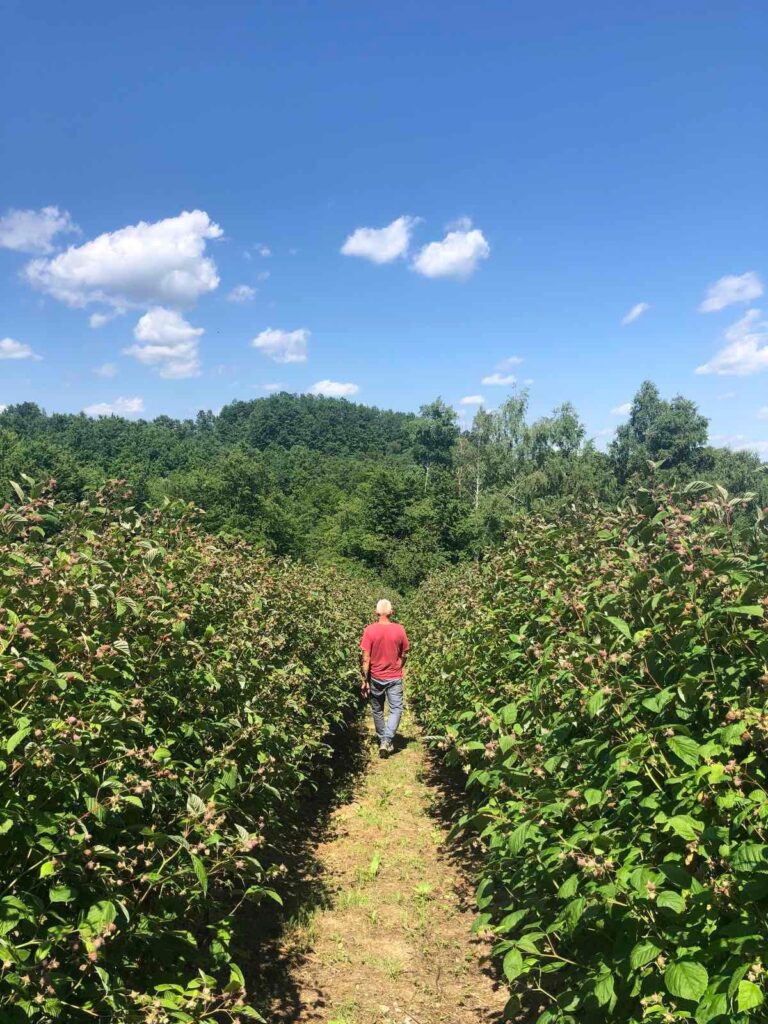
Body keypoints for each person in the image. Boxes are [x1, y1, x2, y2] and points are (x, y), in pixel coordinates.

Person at [359, 599, 410, 757]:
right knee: (395, 709)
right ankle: (386, 740)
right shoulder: (399, 629)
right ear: (391, 613)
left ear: (376, 613)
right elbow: (405, 653)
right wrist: (398, 666)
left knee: (377, 709)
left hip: (376, 677)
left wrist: (364, 680)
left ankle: (384, 739)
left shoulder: (369, 630)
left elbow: (365, 659)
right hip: (394, 676)